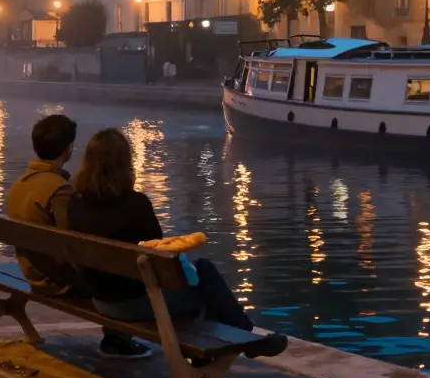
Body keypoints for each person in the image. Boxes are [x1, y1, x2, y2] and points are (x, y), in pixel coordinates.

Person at [66, 128, 288, 360]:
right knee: (207, 284)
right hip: (133, 304)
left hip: (100, 299)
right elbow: (161, 254)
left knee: (203, 275)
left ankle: (242, 338)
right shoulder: (136, 205)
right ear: (124, 164)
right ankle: (220, 358)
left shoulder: (75, 202)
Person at [5, 114, 151, 359]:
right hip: (56, 280)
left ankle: (117, 337)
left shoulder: (20, 184)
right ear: (68, 149)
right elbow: (76, 240)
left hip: (32, 270)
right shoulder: (59, 190)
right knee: (109, 270)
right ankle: (116, 339)